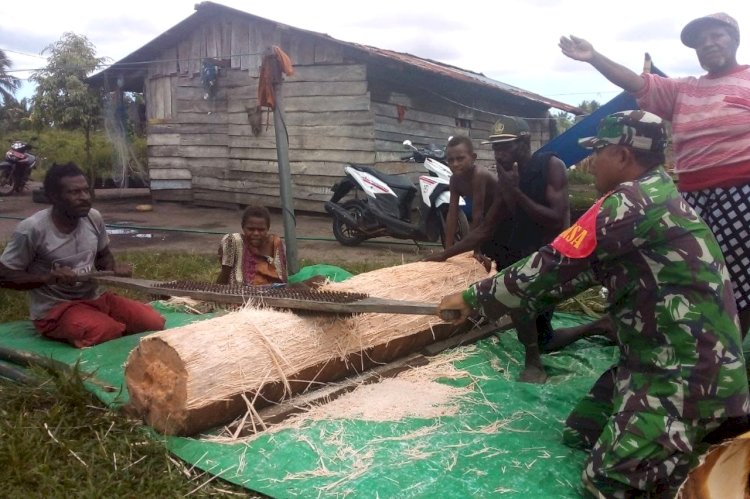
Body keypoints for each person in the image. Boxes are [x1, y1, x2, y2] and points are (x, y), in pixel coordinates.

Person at [438, 111, 750, 497]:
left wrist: (473, 299)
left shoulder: (628, 203)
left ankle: (688, 459)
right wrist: (519, 300)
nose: (592, 161)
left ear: (621, 155)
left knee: (607, 482)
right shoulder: (657, 192)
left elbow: (552, 264)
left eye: (598, 152)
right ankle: (669, 439)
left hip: (686, 373)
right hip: (651, 358)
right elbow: (579, 275)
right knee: (581, 430)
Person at [560, 12, 750, 338]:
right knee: (689, 275)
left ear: (734, 39)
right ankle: (691, 345)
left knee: (739, 281)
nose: (708, 44)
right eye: (700, 41)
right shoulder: (683, 90)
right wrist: (593, 57)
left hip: (741, 195)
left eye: (715, 35)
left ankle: (728, 357)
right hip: (690, 198)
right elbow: (638, 83)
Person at [426, 115, 569, 383]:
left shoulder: (551, 166)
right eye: (496, 148)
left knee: (520, 294)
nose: (501, 154)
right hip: (525, 248)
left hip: (554, 255)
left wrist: (516, 192)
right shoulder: (507, 175)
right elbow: (486, 226)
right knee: (543, 335)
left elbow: (556, 219)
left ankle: (533, 362)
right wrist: (447, 253)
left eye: (507, 147)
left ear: (525, 142)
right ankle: (600, 327)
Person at [0, 162, 166, 348]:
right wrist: (48, 278)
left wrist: (112, 268)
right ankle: (96, 326)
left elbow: (103, 256)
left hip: (96, 298)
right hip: (56, 309)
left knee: (153, 322)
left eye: (86, 191)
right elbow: (4, 276)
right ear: (53, 196)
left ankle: (101, 322)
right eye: (74, 193)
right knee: (106, 331)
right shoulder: (31, 229)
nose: (85, 197)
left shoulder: (93, 217)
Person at [441, 135, 498, 253]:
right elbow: (452, 213)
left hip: (505, 215)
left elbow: (477, 216)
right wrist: (448, 249)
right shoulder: (454, 180)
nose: (455, 164)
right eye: (450, 160)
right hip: (488, 217)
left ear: (473, 158)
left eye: (460, 158)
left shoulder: (479, 175)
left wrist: (472, 249)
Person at [217, 204, 288, 286]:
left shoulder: (276, 244)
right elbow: (225, 273)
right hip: (241, 294)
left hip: (273, 294)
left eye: (261, 230)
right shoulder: (235, 242)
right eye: (251, 229)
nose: (256, 233)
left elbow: (283, 278)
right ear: (243, 227)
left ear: (268, 228)